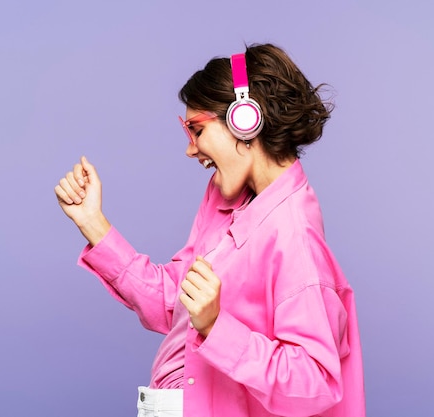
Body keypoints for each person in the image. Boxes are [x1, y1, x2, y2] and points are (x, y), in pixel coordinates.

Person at [54, 43, 365, 417]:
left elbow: (314, 381)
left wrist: (217, 326)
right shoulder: (224, 200)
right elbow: (176, 305)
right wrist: (93, 223)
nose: (191, 149)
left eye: (196, 129)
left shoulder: (294, 235)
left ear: (245, 120)